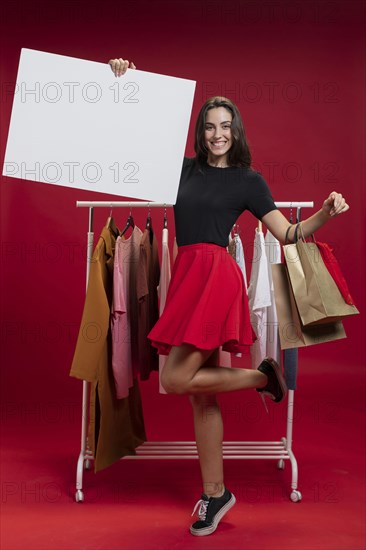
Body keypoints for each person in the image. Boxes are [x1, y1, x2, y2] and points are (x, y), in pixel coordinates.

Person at [108, 57, 350, 537]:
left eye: (226, 126)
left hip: (216, 279)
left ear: (235, 132)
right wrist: (122, 86)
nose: (218, 134)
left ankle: (262, 379)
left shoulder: (248, 180)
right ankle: (215, 494)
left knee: (177, 380)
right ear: (200, 132)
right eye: (210, 126)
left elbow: (288, 233)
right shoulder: (178, 171)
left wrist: (324, 213)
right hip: (186, 279)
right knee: (200, 393)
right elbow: (127, 147)